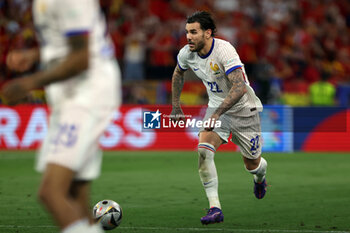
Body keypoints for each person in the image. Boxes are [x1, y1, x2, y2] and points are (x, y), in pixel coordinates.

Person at [1, 1, 121, 233]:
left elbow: (82, 58)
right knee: (75, 193)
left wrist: (28, 83)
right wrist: (35, 53)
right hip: (72, 94)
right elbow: (69, 43)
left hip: (87, 94)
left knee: (51, 192)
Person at [171, 11, 268, 225]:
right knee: (204, 151)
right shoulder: (187, 53)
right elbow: (178, 73)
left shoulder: (224, 51)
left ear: (207, 33)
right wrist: (176, 105)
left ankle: (260, 177)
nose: (188, 37)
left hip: (244, 110)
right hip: (217, 107)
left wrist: (216, 114)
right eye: (187, 32)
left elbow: (240, 87)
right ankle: (215, 207)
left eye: (193, 32)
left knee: (252, 164)